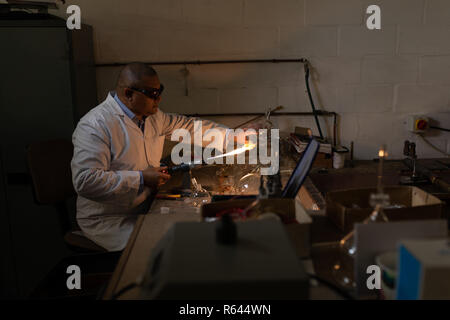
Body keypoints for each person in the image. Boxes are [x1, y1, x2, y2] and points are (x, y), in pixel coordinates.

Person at [71, 63, 231, 251]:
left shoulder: (152, 117)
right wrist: (141, 178)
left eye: (159, 91)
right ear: (129, 93)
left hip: (147, 206)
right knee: (170, 247)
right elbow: (85, 181)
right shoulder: (95, 125)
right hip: (110, 219)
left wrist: (233, 136)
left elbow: (188, 127)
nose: (159, 99)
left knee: (194, 230)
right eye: (152, 94)